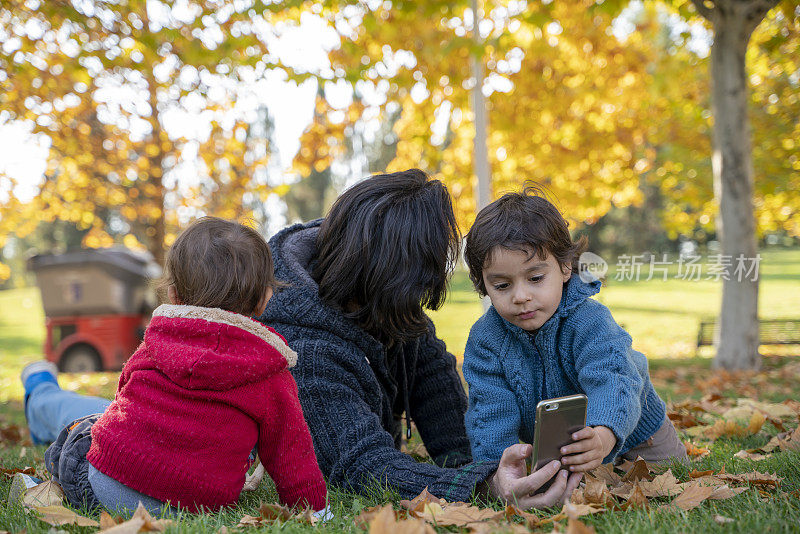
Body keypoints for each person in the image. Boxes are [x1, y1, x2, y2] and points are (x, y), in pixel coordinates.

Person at [254, 169, 581, 509]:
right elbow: (362, 464)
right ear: (387, 274)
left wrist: (493, 467)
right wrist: (484, 487)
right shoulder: (300, 347)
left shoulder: (379, 299)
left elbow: (439, 393)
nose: (423, 296)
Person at [20, 217, 327, 514]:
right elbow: (292, 449)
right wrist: (313, 507)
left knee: (84, 430)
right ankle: (42, 403)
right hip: (201, 506)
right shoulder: (270, 370)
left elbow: (123, 398)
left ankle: (39, 427)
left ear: (173, 295)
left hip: (102, 488)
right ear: (264, 299)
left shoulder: (156, 342)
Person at [462, 186, 687, 474]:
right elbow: (490, 413)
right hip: (566, 446)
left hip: (639, 433)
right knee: (575, 494)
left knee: (669, 480)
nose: (520, 296)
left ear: (565, 267)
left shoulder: (589, 319)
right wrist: (496, 471)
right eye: (502, 285)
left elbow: (614, 379)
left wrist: (603, 436)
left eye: (535, 278)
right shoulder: (486, 340)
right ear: (484, 284)